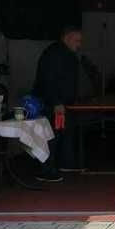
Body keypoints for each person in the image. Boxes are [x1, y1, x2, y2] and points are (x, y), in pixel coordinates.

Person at [32, 26, 82, 181]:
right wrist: (56, 102)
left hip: (61, 104)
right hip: (53, 105)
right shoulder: (55, 54)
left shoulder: (63, 53)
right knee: (51, 137)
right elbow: (49, 80)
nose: (79, 44)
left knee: (60, 134)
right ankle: (46, 171)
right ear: (67, 38)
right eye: (77, 40)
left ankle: (60, 164)